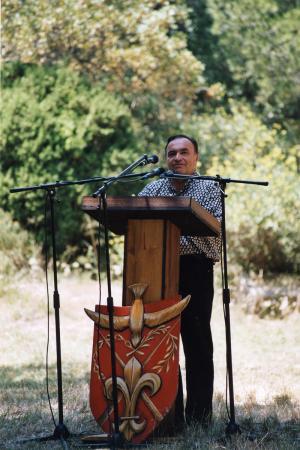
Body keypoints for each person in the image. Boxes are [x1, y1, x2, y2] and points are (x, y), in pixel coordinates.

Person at [138, 134, 222, 427]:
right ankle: (168, 416)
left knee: (197, 343)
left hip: (195, 269)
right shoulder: (153, 187)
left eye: (184, 152)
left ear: (196, 157)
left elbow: (212, 227)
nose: (177, 158)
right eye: (172, 153)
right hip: (156, 270)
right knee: (161, 343)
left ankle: (199, 418)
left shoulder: (209, 187)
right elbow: (132, 220)